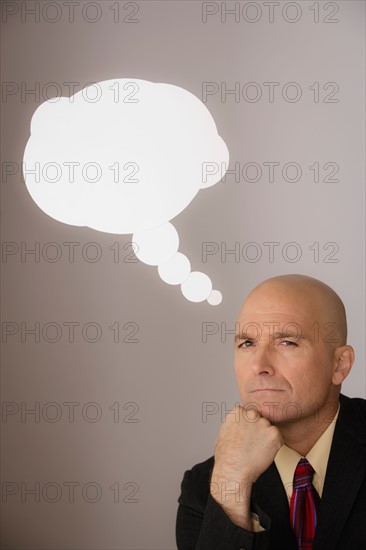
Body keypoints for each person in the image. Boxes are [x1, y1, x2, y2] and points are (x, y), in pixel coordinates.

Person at [176, 274, 366, 549]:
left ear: (339, 365)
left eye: (287, 342)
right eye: (247, 344)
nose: (259, 365)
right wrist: (231, 485)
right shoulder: (205, 486)